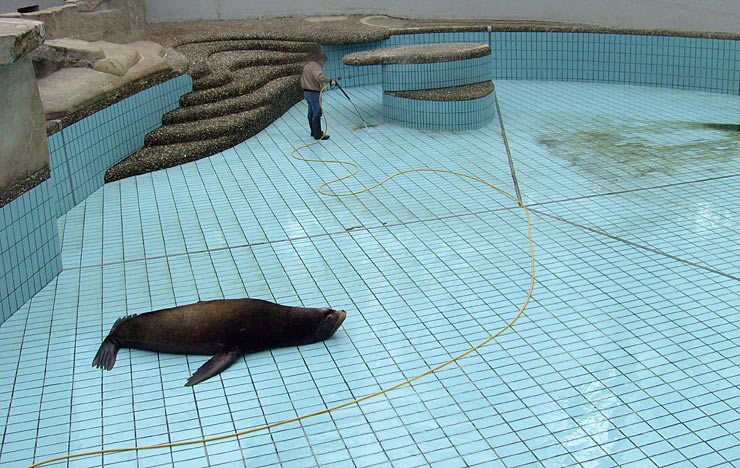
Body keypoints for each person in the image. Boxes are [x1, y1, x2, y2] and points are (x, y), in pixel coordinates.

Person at [301, 53, 336, 140]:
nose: (324, 64)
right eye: (324, 62)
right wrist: (329, 80)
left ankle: (313, 132)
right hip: (313, 92)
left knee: (311, 112)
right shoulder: (316, 66)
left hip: (306, 92)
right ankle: (318, 134)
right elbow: (319, 77)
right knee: (317, 112)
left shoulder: (308, 65)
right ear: (321, 60)